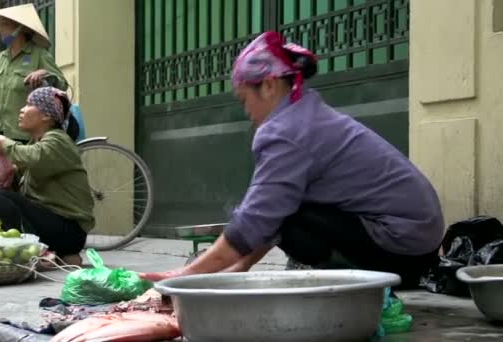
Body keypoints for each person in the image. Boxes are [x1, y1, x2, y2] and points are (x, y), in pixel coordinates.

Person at [141, 32, 445, 288]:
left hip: (401, 250)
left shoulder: (285, 131)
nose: (246, 111)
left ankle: (350, 281)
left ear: (270, 85)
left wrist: (185, 277)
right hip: (419, 246)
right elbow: (273, 209)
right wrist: (238, 267)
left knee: (286, 219)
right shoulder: (306, 114)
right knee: (283, 208)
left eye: (245, 98)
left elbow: (258, 219)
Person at [0, 87, 95, 266]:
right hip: (53, 224)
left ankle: (30, 253)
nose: (22, 109)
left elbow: (34, 156)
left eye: (29, 105)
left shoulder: (58, 140)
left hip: (69, 230)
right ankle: (55, 253)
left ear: (46, 116)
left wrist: (3, 143)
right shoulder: (38, 142)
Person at [0, 4, 68, 143]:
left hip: (25, 138)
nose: (1, 30)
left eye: (5, 24)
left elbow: (62, 85)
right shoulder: (0, 58)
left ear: (20, 28)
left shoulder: (39, 55)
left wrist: (44, 73)